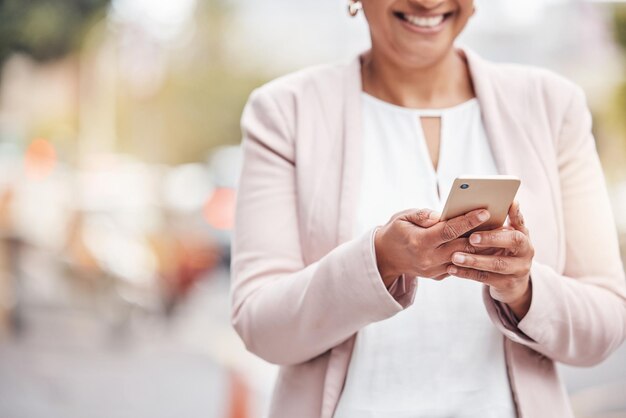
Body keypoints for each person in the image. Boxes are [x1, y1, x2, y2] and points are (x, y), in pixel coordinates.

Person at [230, 1, 626, 417]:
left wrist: (523, 290)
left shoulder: (552, 106)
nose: (427, 2)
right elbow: (261, 328)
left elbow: (605, 325)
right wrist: (378, 261)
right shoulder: (284, 113)